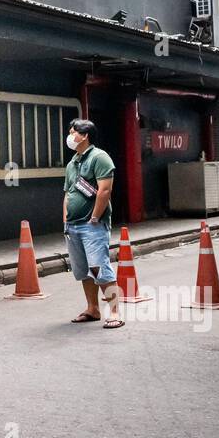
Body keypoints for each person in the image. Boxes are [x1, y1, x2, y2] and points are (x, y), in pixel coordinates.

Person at [63, 118, 122, 329]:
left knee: (99, 268)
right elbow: (68, 194)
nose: (70, 136)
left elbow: (105, 190)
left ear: (85, 135)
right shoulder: (72, 163)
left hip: (93, 226)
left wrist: (95, 217)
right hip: (73, 226)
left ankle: (115, 312)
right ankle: (92, 309)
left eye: (73, 132)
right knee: (83, 270)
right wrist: (65, 221)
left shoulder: (100, 157)